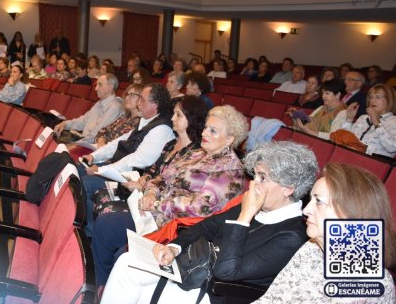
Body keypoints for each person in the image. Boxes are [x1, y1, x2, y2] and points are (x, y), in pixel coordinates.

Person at [102, 140, 317, 304]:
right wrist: (175, 248)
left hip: (216, 294)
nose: (254, 185)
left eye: (263, 178)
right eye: (256, 176)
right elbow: (208, 225)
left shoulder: (292, 234)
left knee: (138, 289)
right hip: (196, 271)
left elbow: (228, 272)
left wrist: (245, 216)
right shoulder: (258, 205)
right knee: (127, 262)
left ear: (288, 188)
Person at [92, 101, 246, 287]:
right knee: (105, 220)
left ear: (230, 139)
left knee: (110, 231)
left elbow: (199, 208)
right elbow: (162, 177)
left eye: (213, 131)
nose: (204, 133)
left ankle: (103, 284)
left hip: (173, 228)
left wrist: (157, 204)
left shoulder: (230, 171)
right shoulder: (196, 153)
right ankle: (100, 283)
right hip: (151, 213)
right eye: (206, 127)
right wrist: (150, 192)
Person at [255, 163, 396, 303]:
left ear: (350, 212)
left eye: (319, 201)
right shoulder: (312, 248)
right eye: (311, 200)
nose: (306, 210)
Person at [80, 83, 176, 235]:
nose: (139, 103)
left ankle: (88, 233)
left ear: (155, 104)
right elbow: (120, 141)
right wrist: (94, 156)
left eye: (142, 100)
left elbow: (138, 161)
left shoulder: (162, 129)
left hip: (130, 180)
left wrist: (101, 170)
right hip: (119, 170)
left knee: (84, 184)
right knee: (80, 169)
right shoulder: (146, 121)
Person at [54, 74, 122, 144]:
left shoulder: (114, 108)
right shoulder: (100, 102)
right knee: (54, 137)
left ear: (110, 87)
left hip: (90, 146)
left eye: (100, 85)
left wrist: (75, 144)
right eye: (96, 85)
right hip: (84, 140)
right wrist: (65, 124)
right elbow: (83, 121)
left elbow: (96, 134)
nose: (96, 88)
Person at [341, 84, 396, 157]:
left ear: (389, 100)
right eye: (371, 97)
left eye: (378, 97)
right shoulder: (363, 118)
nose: (372, 100)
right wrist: (349, 119)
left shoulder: (393, 122)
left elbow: (392, 148)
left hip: (373, 164)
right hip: (348, 156)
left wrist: (377, 123)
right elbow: (343, 140)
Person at [94, 84, 143, 148]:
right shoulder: (124, 117)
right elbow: (103, 131)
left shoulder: (140, 123)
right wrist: (101, 142)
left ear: (141, 99)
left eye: (132, 95)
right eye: (127, 94)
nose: (127, 98)